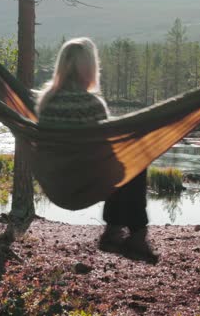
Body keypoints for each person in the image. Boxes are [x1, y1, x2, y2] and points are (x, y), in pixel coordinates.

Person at [36, 37, 159, 263]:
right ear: (89, 68)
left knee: (122, 163)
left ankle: (115, 232)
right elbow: (107, 147)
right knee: (135, 162)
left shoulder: (46, 101)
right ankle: (132, 234)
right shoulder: (91, 103)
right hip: (85, 178)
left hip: (57, 177)